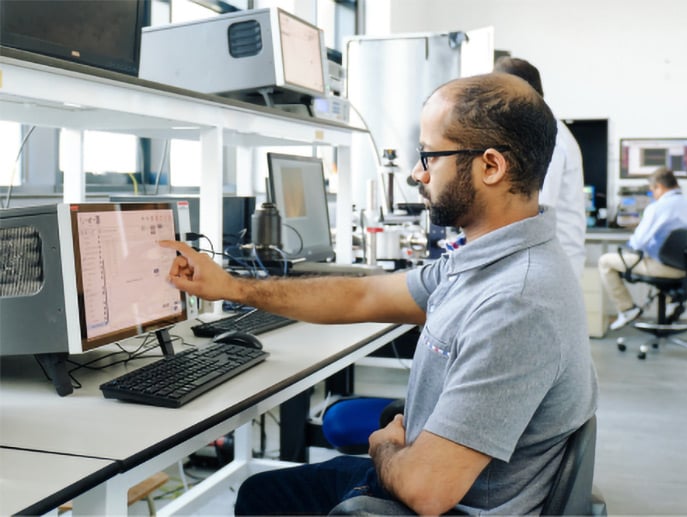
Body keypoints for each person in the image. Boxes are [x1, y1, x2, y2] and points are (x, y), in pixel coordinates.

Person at [161, 73, 598, 515]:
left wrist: (384, 446)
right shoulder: (492, 259)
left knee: (268, 499)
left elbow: (426, 490)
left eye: (429, 156)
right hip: (433, 466)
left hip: (438, 500)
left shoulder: (516, 302)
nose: (417, 173)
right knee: (262, 493)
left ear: (491, 166)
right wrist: (232, 287)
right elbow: (363, 297)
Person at [494, 56, 586, 279]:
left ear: (520, 94)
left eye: (499, 95)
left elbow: (537, 206)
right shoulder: (540, 132)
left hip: (556, 263)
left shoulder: (550, 137)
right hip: (545, 259)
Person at [599, 167, 687, 330]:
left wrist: (629, 243)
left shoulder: (657, 208)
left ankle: (627, 309)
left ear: (659, 187)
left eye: (652, 191)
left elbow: (638, 243)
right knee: (659, 254)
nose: (653, 195)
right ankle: (672, 301)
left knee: (605, 261)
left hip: (663, 268)